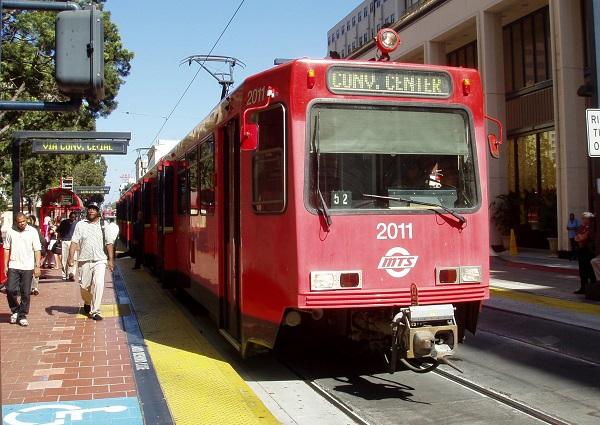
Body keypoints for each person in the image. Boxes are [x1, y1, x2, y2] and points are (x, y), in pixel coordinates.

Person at [67, 202, 114, 320]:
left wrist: (111, 260)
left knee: (99, 283)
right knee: (84, 286)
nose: (91, 211)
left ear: (98, 212)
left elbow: (109, 242)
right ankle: (87, 302)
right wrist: (71, 257)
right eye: (90, 209)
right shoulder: (80, 225)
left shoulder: (104, 225)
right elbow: (74, 241)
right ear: (87, 211)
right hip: (84, 260)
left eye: (94, 209)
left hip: (100, 260)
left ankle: (96, 311)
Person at [3, 212, 42, 326]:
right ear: (16, 222)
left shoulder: (32, 231)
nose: (22, 224)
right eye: (20, 222)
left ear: (26, 220)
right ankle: (15, 310)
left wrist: (37, 266)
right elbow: (6, 248)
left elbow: (37, 250)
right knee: (10, 289)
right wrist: (5, 265)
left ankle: (22, 315)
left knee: (25, 292)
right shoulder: (11, 232)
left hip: (28, 266)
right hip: (14, 265)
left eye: (24, 221)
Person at [574, 212, 596, 294]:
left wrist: (581, 237)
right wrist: (581, 237)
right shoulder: (581, 228)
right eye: (582, 218)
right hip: (581, 249)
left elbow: (584, 237)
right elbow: (576, 238)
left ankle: (592, 286)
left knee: (589, 268)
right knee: (582, 270)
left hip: (588, 250)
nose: (583, 220)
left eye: (585, 218)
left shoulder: (590, 228)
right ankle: (583, 287)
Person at [27, 215, 46, 296]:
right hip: (34, 251)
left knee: (32, 269)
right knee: (35, 268)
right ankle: (35, 287)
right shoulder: (36, 228)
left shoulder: (33, 229)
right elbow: (42, 239)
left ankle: (32, 287)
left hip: (32, 252)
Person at [57, 211, 79, 281]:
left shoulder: (76, 224)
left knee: (74, 258)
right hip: (65, 241)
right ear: (69, 216)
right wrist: (58, 240)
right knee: (64, 258)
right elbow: (59, 231)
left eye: (74, 217)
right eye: (72, 217)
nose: (73, 219)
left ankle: (71, 274)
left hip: (73, 242)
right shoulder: (64, 223)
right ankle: (64, 274)